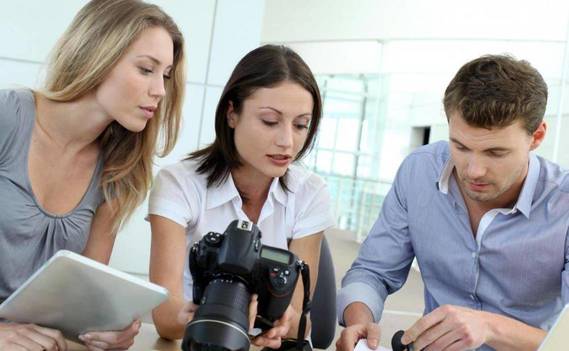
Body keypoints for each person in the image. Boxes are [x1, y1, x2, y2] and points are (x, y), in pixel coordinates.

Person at [336, 55, 569, 351]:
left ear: (536, 137)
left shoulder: (564, 204)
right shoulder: (419, 171)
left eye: (495, 153)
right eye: (460, 146)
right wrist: (359, 318)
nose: (473, 170)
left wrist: (489, 326)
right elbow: (372, 271)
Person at [0, 0, 185, 350]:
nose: (160, 90)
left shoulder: (120, 171)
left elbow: (74, 310)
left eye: (165, 75)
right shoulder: (7, 118)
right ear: (97, 56)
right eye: (146, 69)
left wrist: (102, 332)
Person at [148, 44, 335, 348]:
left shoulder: (310, 193)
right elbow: (165, 319)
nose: (287, 141)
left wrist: (284, 321)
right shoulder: (178, 184)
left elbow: (299, 317)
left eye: (301, 124)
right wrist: (206, 313)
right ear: (232, 113)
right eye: (270, 121)